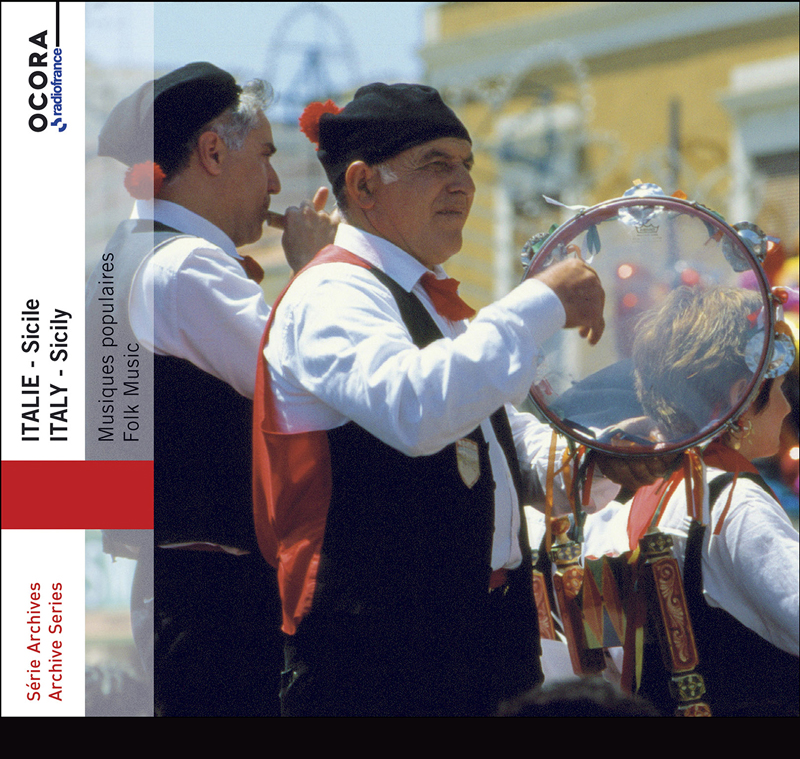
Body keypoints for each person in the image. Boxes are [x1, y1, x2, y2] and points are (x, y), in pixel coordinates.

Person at [252, 82, 672, 716]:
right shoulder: (333, 293)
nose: (464, 185)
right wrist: (541, 300)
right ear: (364, 187)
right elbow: (416, 412)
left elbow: (491, 444)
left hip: (479, 638)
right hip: (380, 654)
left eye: (467, 165)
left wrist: (595, 457)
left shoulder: (424, 299)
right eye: (436, 165)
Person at [86, 62, 336, 716]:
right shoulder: (184, 265)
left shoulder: (134, 253)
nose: (278, 184)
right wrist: (319, 275)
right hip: (218, 597)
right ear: (213, 152)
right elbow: (308, 382)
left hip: (184, 589)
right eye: (266, 156)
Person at [584, 285, 799, 716]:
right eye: (776, 388)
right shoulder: (734, 505)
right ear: (742, 393)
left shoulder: (623, 509)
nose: (786, 408)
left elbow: (603, 658)